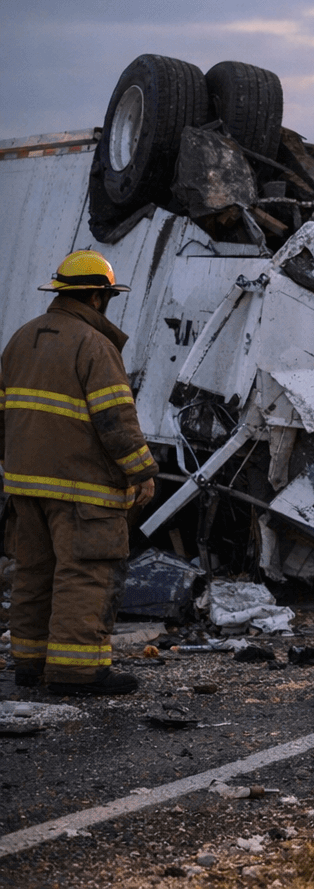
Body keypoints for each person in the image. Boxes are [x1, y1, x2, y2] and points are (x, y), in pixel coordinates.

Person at [2, 250, 158, 697]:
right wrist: (141, 472)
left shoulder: (20, 339)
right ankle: (77, 670)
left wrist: (15, 463)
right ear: (96, 296)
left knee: (34, 571)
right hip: (82, 488)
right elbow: (116, 421)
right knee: (86, 572)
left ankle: (29, 663)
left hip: (25, 483)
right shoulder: (94, 346)